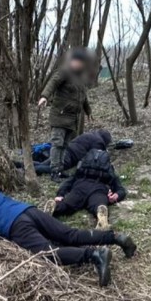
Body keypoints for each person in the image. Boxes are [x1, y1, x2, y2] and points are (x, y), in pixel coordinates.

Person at [0, 174, 136, 286]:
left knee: (47, 253)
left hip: (15, 225)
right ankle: (114, 237)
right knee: (68, 234)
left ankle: (95, 255)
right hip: (29, 211)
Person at [38, 48, 93, 180]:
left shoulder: (80, 78)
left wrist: (88, 112)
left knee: (65, 145)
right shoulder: (64, 72)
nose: (78, 64)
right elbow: (53, 82)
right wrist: (44, 96)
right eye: (76, 61)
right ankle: (54, 171)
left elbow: (83, 97)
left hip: (72, 118)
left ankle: (60, 169)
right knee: (57, 144)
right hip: (59, 115)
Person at [52, 148, 127, 230]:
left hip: (80, 186)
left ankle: (55, 207)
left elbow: (68, 183)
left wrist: (60, 195)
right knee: (98, 204)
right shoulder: (108, 171)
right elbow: (121, 190)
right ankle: (101, 211)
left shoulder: (82, 169)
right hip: (99, 189)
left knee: (68, 205)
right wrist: (116, 196)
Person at [26, 129, 113, 176]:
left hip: (65, 149)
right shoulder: (99, 142)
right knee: (54, 169)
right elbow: (96, 156)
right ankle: (28, 170)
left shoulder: (91, 134)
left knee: (45, 163)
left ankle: (23, 164)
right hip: (71, 156)